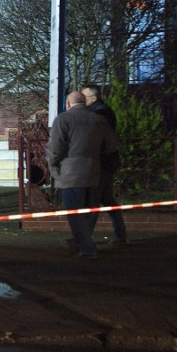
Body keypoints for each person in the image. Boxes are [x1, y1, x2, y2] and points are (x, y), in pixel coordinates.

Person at [46, 91, 117, 259]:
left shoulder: (63, 119)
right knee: (90, 210)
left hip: (71, 173)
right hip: (94, 170)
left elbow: (55, 148)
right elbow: (111, 146)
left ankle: (87, 248)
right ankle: (81, 242)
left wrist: (53, 165)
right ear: (85, 103)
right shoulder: (99, 120)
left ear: (68, 104)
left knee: (74, 213)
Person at [82, 85, 127, 245]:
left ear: (93, 98)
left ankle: (84, 239)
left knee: (93, 200)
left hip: (102, 163)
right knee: (107, 199)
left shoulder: (99, 114)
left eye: (84, 97)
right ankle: (120, 234)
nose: (82, 100)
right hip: (107, 162)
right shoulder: (102, 111)